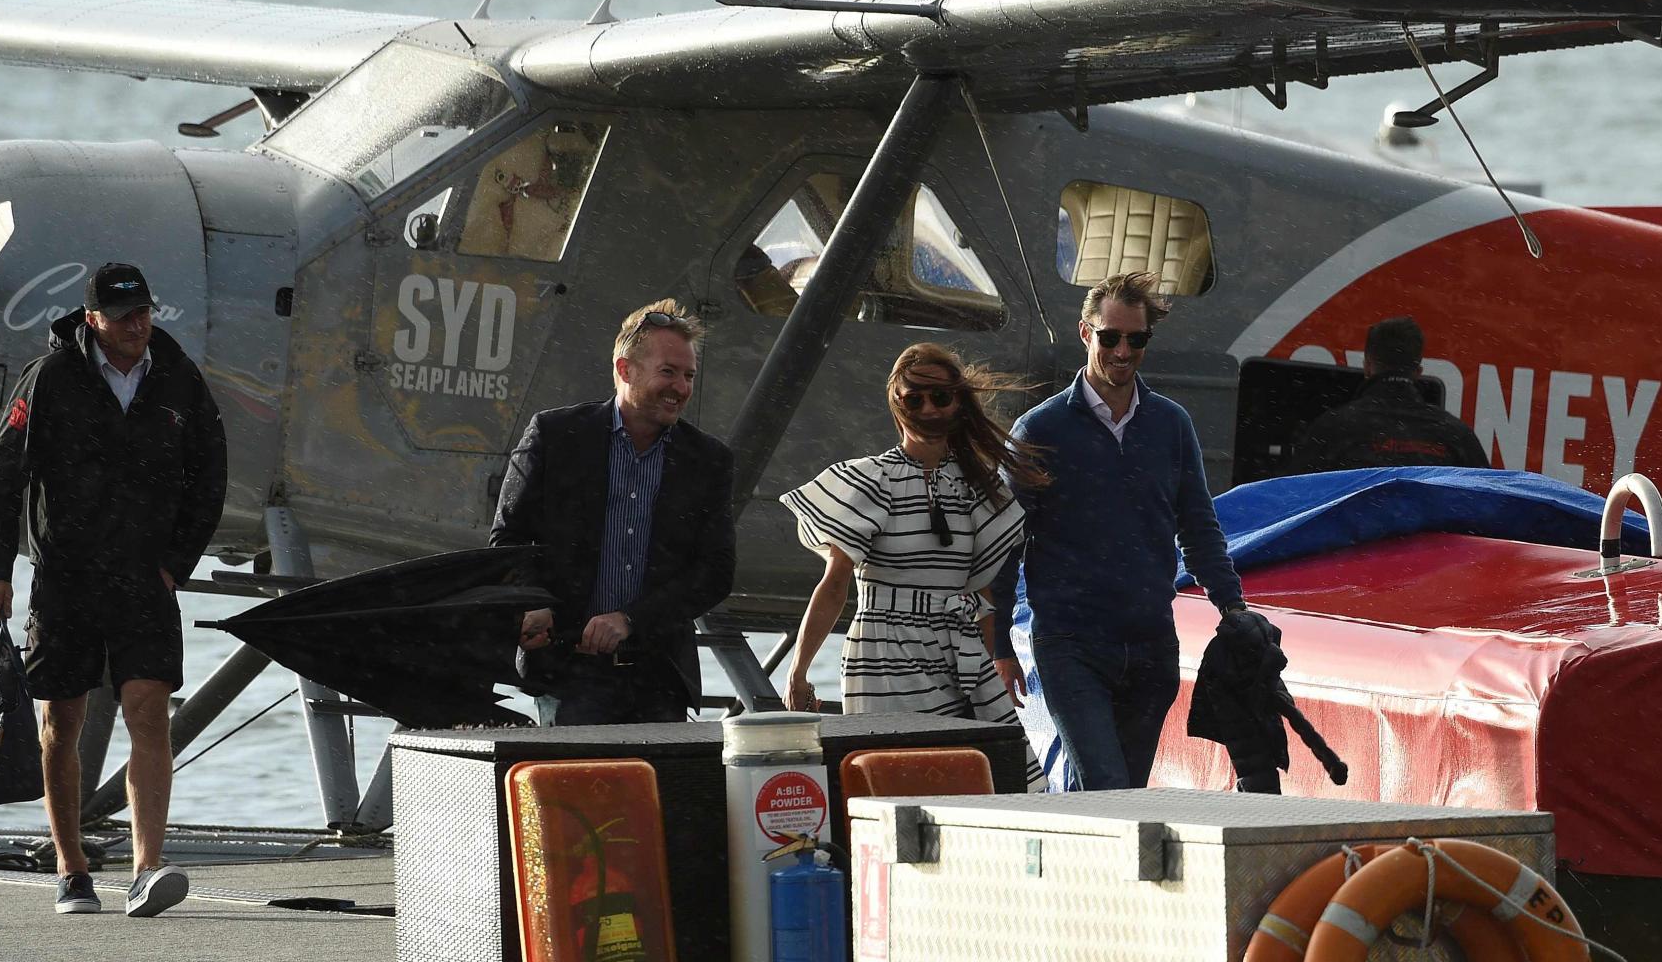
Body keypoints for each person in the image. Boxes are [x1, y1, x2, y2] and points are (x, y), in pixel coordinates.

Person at [0, 262, 227, 919]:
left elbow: (210, 471)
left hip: (146, 576)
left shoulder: (176, 377)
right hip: (65, 577)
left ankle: (147, 868)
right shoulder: (52, 378)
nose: (137, 326)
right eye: (122, 318)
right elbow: (3, 472)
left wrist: (179, 560)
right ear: (93, 320)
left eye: (144, 313)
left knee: (149, 705)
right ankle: (72, 868)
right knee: (62, 719)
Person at [991, 272, 1248, 792]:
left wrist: (1233, 608)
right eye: (1110, 337)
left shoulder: (1171, 424)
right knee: (1105, 786)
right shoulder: (1039, 431)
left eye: (1137, 339)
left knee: (1126, 800)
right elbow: (1004, 543)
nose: (1123, 350)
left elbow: (1198, 526)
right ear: (1086, 334)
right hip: (1071, 642)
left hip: (1152, 643)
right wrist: (998, 644)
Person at [779, 344, 1048, 787]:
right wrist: (799, 669)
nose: (928, 407)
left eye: (940, 397)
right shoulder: (869, 481)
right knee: (889, 779)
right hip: (881, 653)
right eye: (914, 397)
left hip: (958, 653)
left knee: (990, 778)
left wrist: (994, 659)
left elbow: (981, 595)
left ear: (958, 403)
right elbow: (835, 582)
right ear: (895, 402)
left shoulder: (979, 489)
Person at [492, 300, 736, 725]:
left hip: (660, 678)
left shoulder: (708, 459)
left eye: (689, 375)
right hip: (569, 676)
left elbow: (715, 571)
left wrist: (630, 620)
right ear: (625, 370)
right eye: (668, 371)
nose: (681, 387)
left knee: (662, 792)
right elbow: (508, 540)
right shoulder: (555, 435)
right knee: (571, 790)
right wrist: (532, 604)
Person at [1289, 316, 1489, 472]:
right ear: (1418, 372)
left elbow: (1292, 501)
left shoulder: (1331, 429)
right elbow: (1487, 504)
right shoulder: (1457, 435)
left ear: (1367, 366)